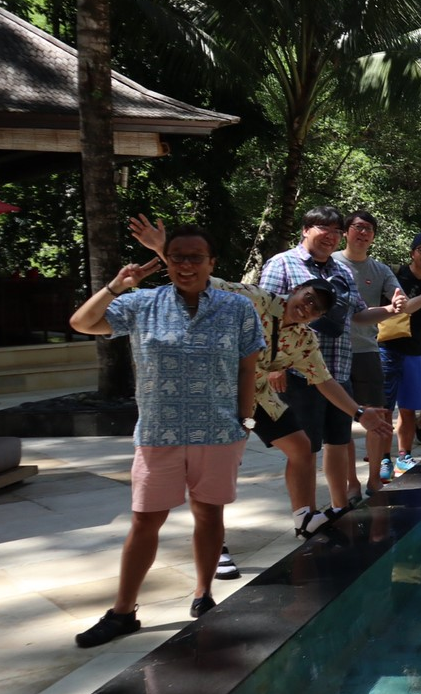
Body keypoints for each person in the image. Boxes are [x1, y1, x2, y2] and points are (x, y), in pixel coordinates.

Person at [130, 214, 395, 535]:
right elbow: (207, 282)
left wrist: (360, 412)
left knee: (301, 446)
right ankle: (219, 544)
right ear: (295, 290)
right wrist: (163, 248)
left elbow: (324, 381)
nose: (307, 308)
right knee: (222, 466)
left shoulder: (304, 338)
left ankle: (304, 518)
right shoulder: (255, 299)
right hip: (222, 395)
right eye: (307, 298)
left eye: (316, 310)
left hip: (259, 397)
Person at [69, 226, 262, 646]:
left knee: (209, 515)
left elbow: (248, 369)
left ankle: (203, 593)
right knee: (144, 521)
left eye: (196, 257)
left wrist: (245, 423)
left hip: (217, 431)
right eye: (177, 257)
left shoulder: (237, 308)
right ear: (167, 260)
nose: (186, 265)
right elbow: (82, 323)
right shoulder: (141, 303)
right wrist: (115, 286)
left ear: (212, 263)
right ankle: (123, 611)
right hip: (159, 433)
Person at [259, 207, 402, 514]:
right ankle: (305, 514)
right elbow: (265, 314)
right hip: (296, 374)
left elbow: (359, 315)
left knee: (338, 442)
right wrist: (276, 365)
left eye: (336, 230)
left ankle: (340, 509)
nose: (330, 235)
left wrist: (391, 310)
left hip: (338, 369)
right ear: (305, 229)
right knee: (304, 449)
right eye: (323, 228)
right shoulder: (282, 264)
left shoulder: (341, 271)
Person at [334, 210, 402, 497]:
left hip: (367, 350)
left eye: (369, 230)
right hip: (333, 352)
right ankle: (351, 483)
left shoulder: (380, 269)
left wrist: (400, 299)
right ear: (346, 231)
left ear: (373, 236)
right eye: (358, 228)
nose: (363, 234)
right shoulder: (331, 263)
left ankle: (374, 478)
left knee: (379, 417)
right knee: (340, 423)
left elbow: (398, 297)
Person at [380, 233, 421, 478]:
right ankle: (383, 459)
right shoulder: (393, 277)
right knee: (384, 409)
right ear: (412, 253)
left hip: (414, 350)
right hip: (386, 347)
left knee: (408, 408)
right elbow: (403, 308)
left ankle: (403, 456)